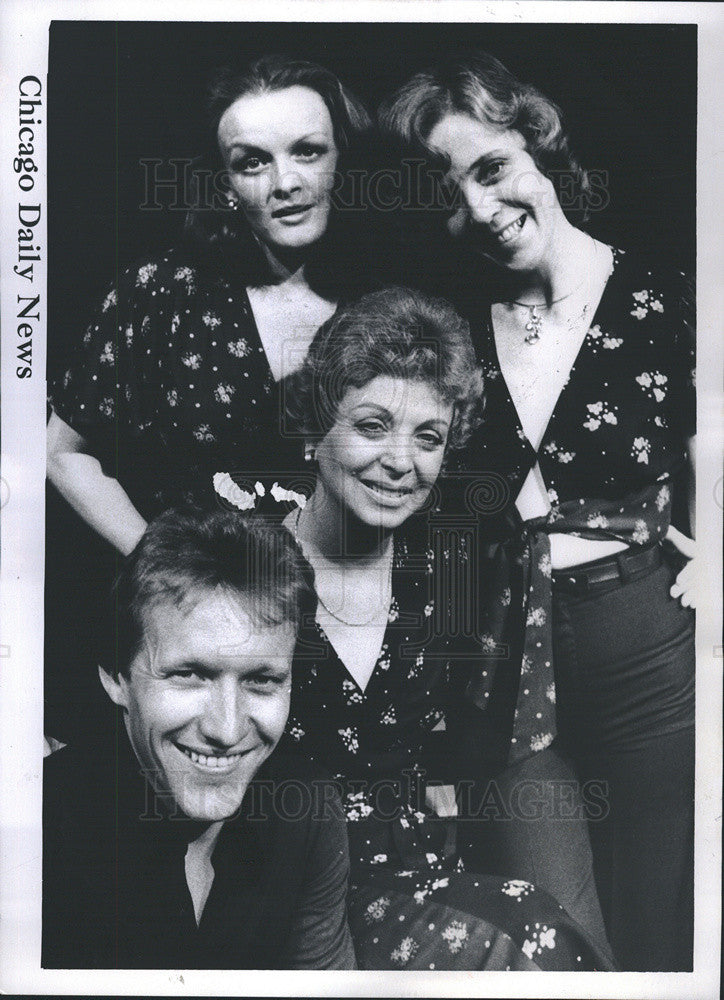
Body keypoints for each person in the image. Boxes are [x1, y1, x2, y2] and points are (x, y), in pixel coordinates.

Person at [378, 53, 696, 971]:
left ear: (539, 146)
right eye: (449, 192)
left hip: (645, 646)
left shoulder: (664, 299)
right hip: (496, 664)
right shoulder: (447, 328)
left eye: (492, 168)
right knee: (548, 937)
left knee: (663, 923)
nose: (479, 208)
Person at [270, 286, 615, 971]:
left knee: (543, 935)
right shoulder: (251, 566)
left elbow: (470, 751)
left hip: (423, 875)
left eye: (427, 437)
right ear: (314, 430)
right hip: (286, 890)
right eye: (372, 426)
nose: (402, 462)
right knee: (526, 940)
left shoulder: (447, 571)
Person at [44, 54, 372, 742]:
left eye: (308, 152)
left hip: (347, 645)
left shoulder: (385, 305)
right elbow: (63, 452)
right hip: (196, 655)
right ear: (224, 183)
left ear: (344, 161)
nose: (285, 182)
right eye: (252, 162)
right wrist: (162, 561)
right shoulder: (158, 295)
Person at [43, 507, 356, 969]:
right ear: (116, 677)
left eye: (262, 680)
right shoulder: (34, 825)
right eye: (189, 675)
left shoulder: (308, 810)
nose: (226, 730)